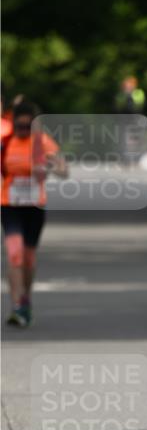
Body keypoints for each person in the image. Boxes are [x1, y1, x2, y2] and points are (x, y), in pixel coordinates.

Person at [1, 100, 67, 327]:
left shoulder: (43, 143)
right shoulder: (5, 142)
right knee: (14, 253)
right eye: (19, 127)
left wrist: (51, 166)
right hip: (9, 204)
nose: (23, 131)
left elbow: (64, 170)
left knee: (28, 257)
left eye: (28, 127)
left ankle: (26, 298)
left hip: (34, 207)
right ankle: (17, 305)